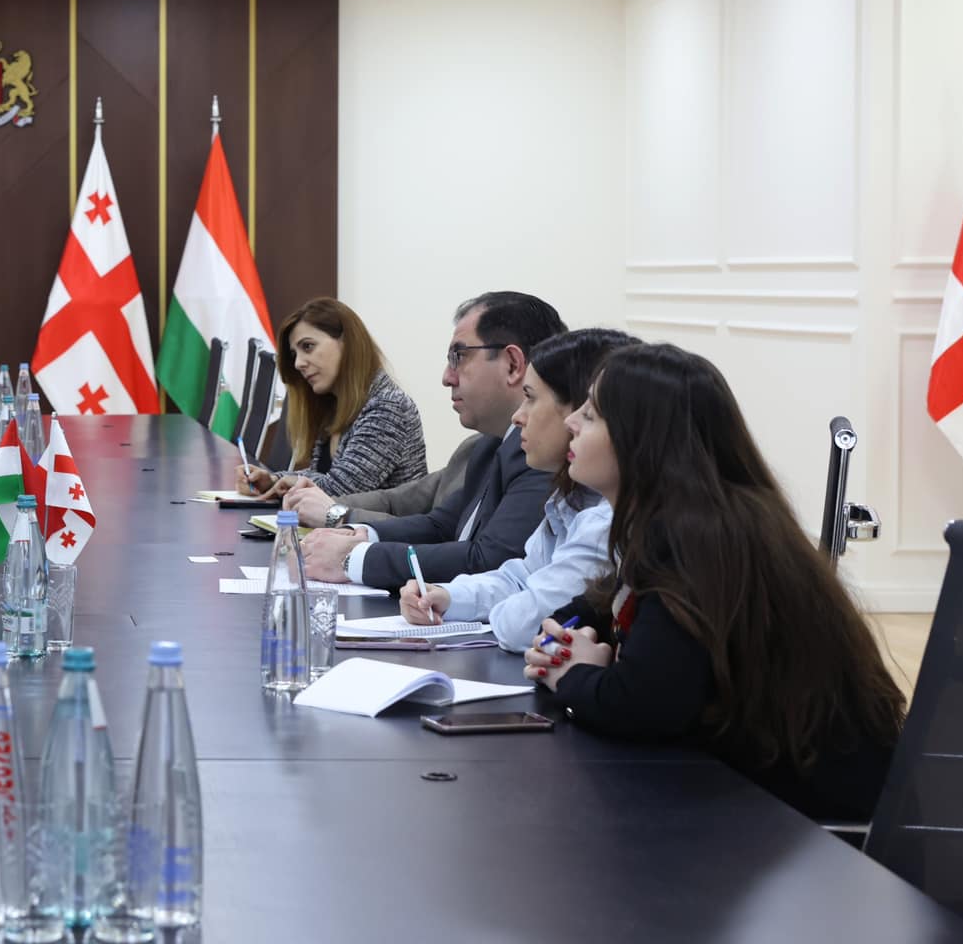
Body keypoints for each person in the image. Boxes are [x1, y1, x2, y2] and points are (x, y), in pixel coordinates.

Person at [522, 343, 905, 822]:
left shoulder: (701, 542)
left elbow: (645, 704)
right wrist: (563, 642)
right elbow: (584, 611)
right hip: (754, 802)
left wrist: (574, 673)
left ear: (644, 439)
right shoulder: (678, 522)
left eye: (592, 414)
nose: (572, 421)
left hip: (805, 824)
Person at [302, 291, 566, 589]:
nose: (446, 377)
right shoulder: (491, 444)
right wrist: (361, 535)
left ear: (513, 365)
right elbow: (441, 525)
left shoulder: (542, 452)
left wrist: (354, 558)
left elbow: (490, 560)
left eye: (458, 357)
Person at [400, 329, 638, 650]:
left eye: (531, 397)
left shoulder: (604, 520)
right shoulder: (570, 497)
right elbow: (520, 576)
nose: (518, 416)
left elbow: (524, 624)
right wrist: (449, 597)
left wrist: (502, 606)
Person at [232, 297, 428, 500]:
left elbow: (342, 490)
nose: (298, 363)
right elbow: (324, 476)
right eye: (294, 354)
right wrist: (273, 480)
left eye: (308, 346)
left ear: (347, 342)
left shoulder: (389, 406)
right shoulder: (335, 405)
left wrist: (286, 482)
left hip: (383, 523)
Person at [282, 432, 484, 530]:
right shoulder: (475, 447)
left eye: (458, 363)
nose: (447, 379)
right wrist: (324, 503)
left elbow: (438, 536)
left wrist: (337, 514)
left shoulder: (387, 405)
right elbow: (394, 500)